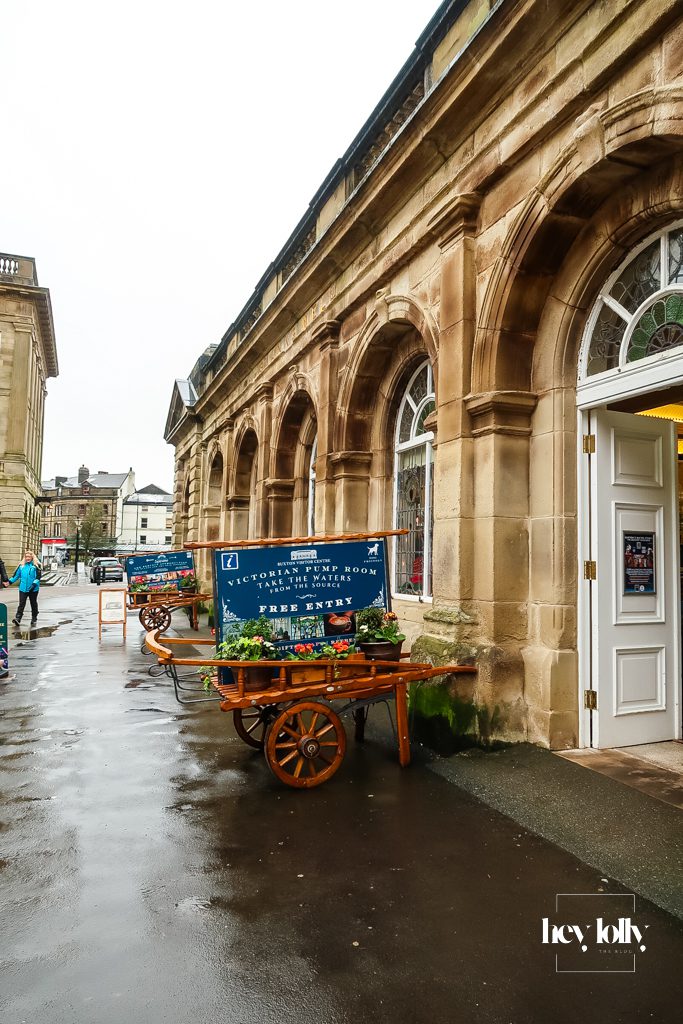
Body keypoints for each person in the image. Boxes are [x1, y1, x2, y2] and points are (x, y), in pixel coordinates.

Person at [9, 550, 41, 626]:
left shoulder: (36, 566)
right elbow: (16, 576)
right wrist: (8, 582)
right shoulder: (21, 566)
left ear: (32, 557)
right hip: (23, 588)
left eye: (29, 556)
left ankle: (34, 617)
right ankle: (18, 618)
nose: (27, 558)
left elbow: (38, 577)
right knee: (21, 603)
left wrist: (34, 584)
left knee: (33, 603)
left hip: (33, 589)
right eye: (26, 556)